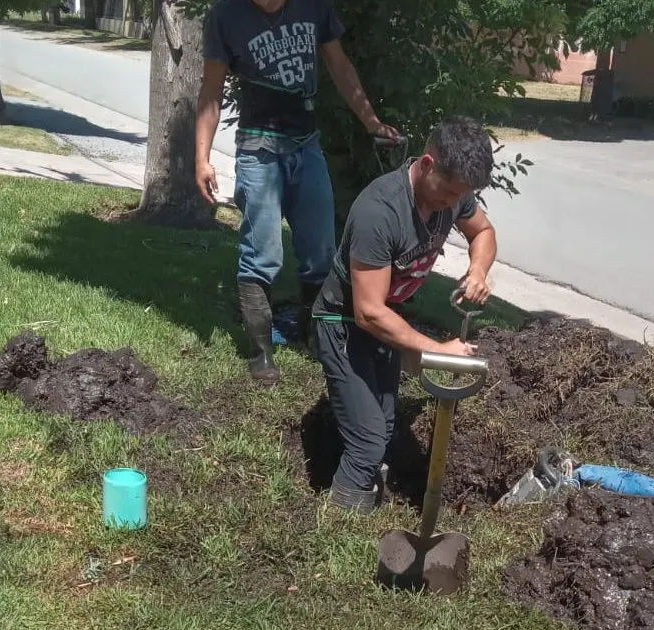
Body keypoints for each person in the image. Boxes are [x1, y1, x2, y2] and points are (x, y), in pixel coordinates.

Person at [195, 0, 399, 386]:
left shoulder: (313, 7)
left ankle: (313, 337)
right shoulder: (226, 16)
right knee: (261, 254)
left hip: (307, 146)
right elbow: (211, 91)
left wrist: (371, 122)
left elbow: (340, 67)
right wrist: (201, 158)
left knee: (322, 252)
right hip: (258, 150)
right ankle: (261, 354)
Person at [310, 116, 499, 513]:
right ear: (427, 164)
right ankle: (338, 534)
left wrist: (478, 269)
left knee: (386, 427)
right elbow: (368, 313)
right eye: (448, 192)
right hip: (342, 321)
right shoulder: (379, 212)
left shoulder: (455, 193)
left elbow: (483, 233)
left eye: (460, 196)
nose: (453, 203)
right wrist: (435, 349)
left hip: (385, 318)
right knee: (367, 440)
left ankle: (368, 501)